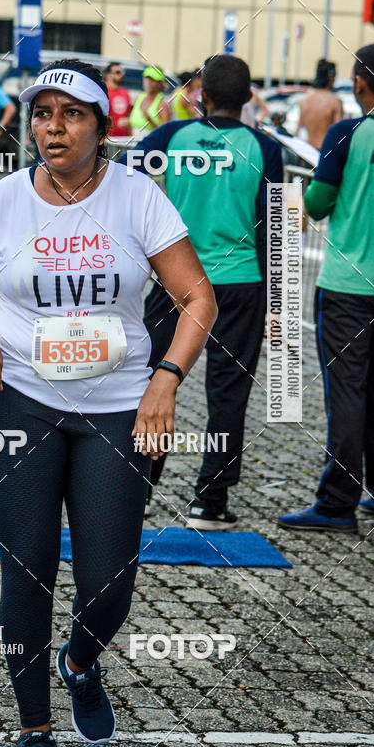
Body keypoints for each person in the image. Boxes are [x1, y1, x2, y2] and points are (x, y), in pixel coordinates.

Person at [0, 58, 217, 747]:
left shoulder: (137, 196)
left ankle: (80, 660)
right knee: (26, 564)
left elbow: (198, 297)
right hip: (17, 401)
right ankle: (34, 726)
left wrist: (167, 378)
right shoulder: (3, 201)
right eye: (42, 113)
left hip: (120, 407)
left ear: (101, 125)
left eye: (72, 113)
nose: (53, 127)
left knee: (109, 579)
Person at [131, 54, 283, 528]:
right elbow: (273, 228)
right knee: (229, 393)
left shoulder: (171, 138)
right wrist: (278, 304)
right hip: (241, 283)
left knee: (153, 379)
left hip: (177, 281)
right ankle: (210, 502)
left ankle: (140, 489)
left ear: (203, 96)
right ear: (247, 99)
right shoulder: (265, 149)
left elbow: (120, 172)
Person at [279, 45, 374, 533]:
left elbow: (316, 204)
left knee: (348, 393)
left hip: (348, 286)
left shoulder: (348, 134)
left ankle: (338, 502)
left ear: (360, 83)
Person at [295, 58, 343, 149]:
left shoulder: (304, 100)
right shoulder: (335, 101)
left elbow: (298, 131)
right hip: (326, 150)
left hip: (307, 152)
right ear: (331, 78)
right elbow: (338, 133)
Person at [129, 65, 172, 138]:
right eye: (147, 78)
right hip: (134, 145)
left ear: (160, 83)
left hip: (151, 146)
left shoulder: (162, 105)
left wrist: (150, 121)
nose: (148, 82)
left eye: (152, 80)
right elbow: (132, 123)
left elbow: (166, 133)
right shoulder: (139, 97)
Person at [104, 62, 132, 137]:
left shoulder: (125, 92)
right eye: (118, 72)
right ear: (108, 75)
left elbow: (129, 116)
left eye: (122, 72)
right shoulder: (103, 92)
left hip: (123, 140)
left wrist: (130, 136)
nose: (121, 75)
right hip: (107, 140)